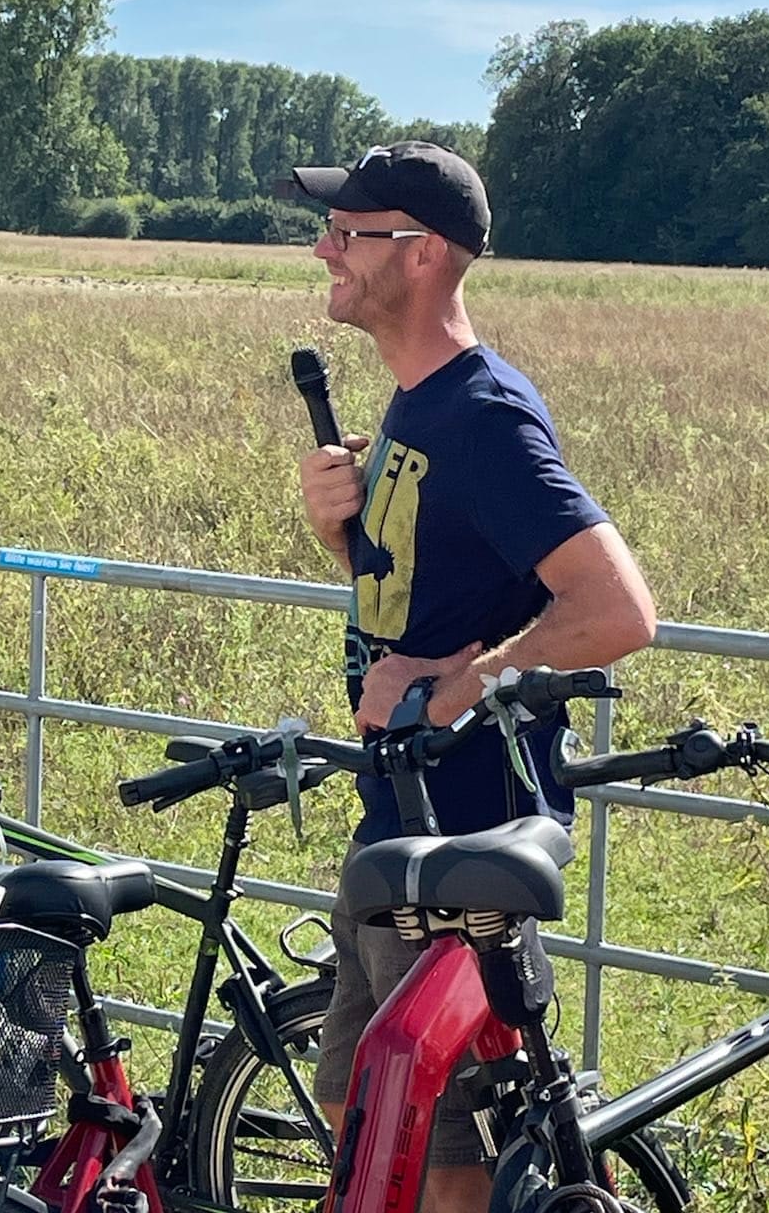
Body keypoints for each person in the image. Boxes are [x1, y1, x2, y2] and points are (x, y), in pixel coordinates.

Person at [292, 141, 657, 1213]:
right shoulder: (416, 405)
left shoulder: (484, 417)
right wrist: (342, 536)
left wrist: (457, 686)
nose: (325, 250)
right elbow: (421, 599)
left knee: (446, 1161)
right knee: (362, 1129)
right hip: (395, 833)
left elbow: (619, 610)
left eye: (349, 233)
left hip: (466, 853)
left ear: (423, 254)